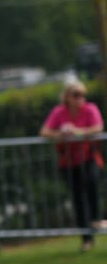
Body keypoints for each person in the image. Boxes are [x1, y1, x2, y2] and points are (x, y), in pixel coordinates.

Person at [40, 79, 103, 251]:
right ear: (67, 97)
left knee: (91, 183)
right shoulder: (59, 112)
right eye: (76, 95)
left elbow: (98, 127)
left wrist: (78, 132)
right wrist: (60, 134)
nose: (80, 98)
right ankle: (86, 239)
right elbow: (45, 132)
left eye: (82, 94)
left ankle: (96, 219)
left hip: (89, 157)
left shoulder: (90, 109)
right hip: (68, 161)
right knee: (78, 198)